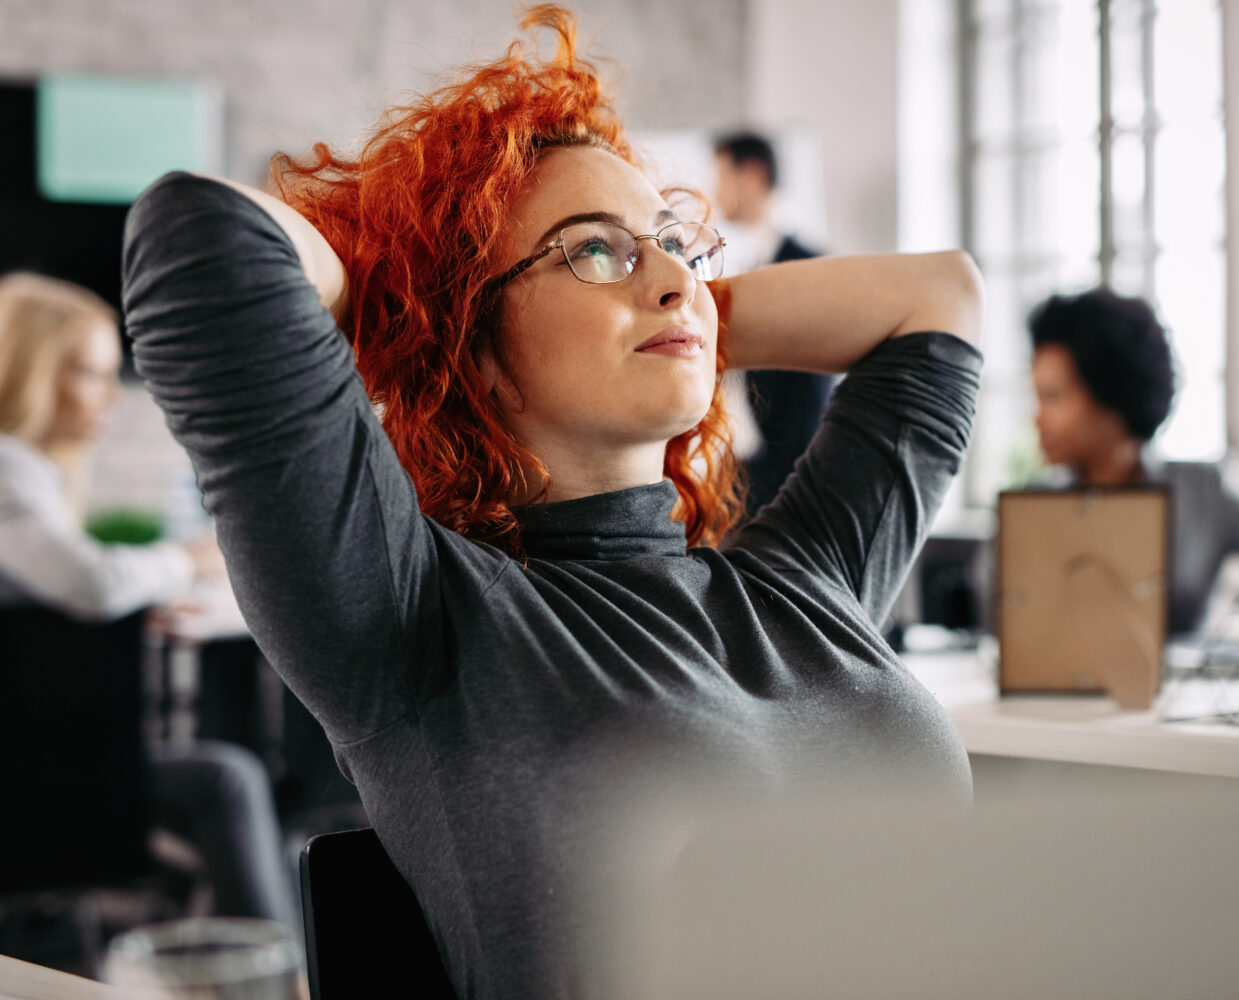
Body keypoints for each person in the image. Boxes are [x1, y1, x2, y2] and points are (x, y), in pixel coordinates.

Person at [120, 7, 983, 996]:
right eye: (595, 250)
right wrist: (417, 305)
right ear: (473, 353)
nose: (673, 276)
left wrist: (680, 311)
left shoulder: (801, 580)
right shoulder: (420, 624)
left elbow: (940, 297)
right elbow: (197, 230)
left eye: (677, 243)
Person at [0, 271, 299, 932]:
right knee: (228, 778)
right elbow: (93, 584)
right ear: (29, 370)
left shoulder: (31, 476)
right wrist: (191, 557)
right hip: (29, 774)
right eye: (87, 373)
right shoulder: (6, 472)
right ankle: (274, 970)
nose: (110, 395)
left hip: (37, 755)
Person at [1027, 286, 1239, 634]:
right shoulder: (1029, 508)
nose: (1037, 418)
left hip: (1190, 687)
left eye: (1053, 397)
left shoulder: (1205, 491)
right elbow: (996, 615)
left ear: (1110, 396)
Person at [713, 131, 835, 516]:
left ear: (751, 176)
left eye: (721, 178)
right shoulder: (744, 260)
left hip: (785, 484)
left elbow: (810, 391)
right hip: (743, 471)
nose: (715, 192)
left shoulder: (805, 264)